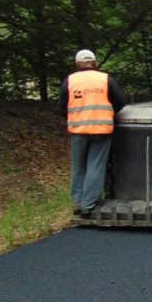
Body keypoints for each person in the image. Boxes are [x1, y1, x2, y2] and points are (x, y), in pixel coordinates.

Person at [58, 49, 125, 216]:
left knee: (78, 166)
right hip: (101, 129)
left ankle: (79, 203)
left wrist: (75, 118)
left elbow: (62, 107)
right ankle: (89, 204)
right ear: (94, 63)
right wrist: (109, 114)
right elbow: (120, 101)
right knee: (96, 165)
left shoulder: (70, 81)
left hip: (78, 130)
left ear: (77, 64)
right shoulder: (105, 79)